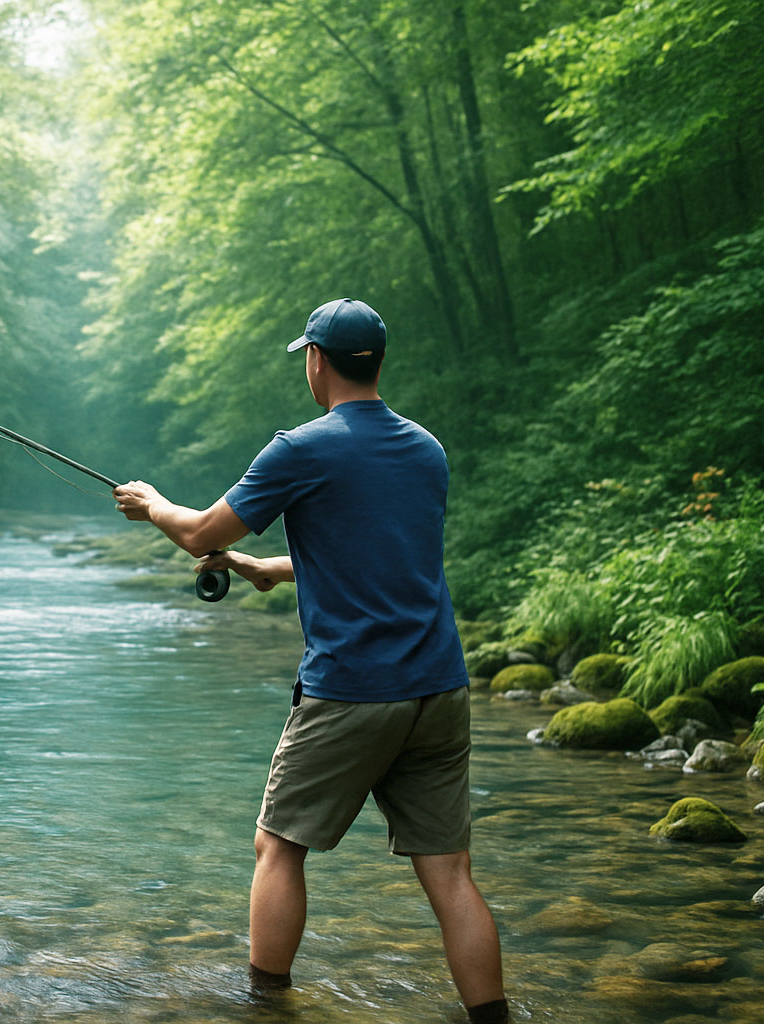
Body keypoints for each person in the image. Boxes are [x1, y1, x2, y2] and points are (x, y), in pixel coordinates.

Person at [112, 298, 508, 1024]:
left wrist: (154, 504)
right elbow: (381, 550)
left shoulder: (300, 448)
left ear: (316, 361)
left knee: (278, 846)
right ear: (377, 361)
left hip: (354, 688)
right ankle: (493, 1018)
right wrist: (269, 565)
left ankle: (267, 1005)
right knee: (450, 872)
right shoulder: (426, 449)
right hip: (439, 688)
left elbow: (201, 533)